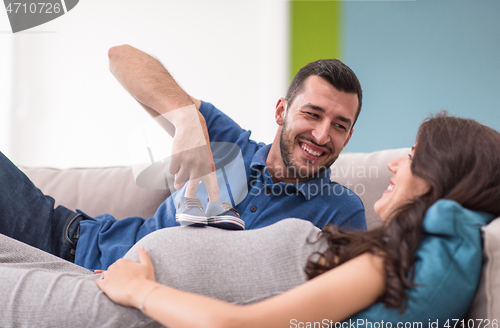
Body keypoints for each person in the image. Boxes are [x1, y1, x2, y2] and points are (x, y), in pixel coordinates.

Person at [1, 113, 499, 328]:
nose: (394, 165)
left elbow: (235, 326)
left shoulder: (385, 262)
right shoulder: (387, 251)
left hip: (123, 300)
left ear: (441, 178)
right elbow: (123, 58)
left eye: (410, 156)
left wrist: (140, 292)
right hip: (108, 273)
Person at [0, 45, 366, 271]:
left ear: (348, 136)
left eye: (339, 125)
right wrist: (187, 119)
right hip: (69, 238)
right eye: (313, 114)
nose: (321, 135)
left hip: (117, 286)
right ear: (281, 111)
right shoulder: (230, 143)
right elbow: (121, 57)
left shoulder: (340, 210)